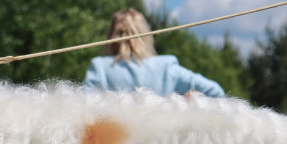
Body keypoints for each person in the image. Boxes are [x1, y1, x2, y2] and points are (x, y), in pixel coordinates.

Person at [83, 8, 225, 98]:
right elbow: (216, 91)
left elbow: (83, 106)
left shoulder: (100, 67)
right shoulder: (166, 67)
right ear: (145, 34)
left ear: (111, 35)